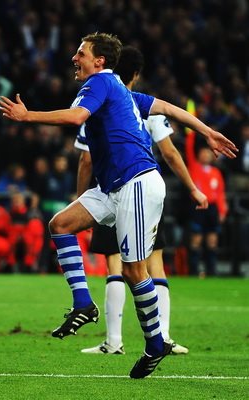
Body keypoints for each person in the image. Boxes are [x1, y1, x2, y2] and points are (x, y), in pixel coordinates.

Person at [0, 32, 237, 378]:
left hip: (136, 183)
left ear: (100, 61)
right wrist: (207, 131)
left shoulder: (99, 83)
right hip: (112, 188)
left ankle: (156, 342)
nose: (74, 58)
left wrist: (27, 116)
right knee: (60, 224)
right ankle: (83, 304)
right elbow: (169, 108)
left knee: (133, 271)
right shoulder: (122, 91)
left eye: (81, 53)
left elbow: (76, 117)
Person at [76, 46, 208, 356]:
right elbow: (170, 152)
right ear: (136, 74)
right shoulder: (142, 105)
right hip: (145, 187)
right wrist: (192, 188)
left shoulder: (95, 102)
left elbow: (85, 159)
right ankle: (163, 335)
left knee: (115, 263)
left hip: (110, 188)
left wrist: (81, 197)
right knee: (154, 263)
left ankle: (114, 340)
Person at [184, 121, 228, 277]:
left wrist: (222, 211)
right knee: (196, 239)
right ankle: (194, 271)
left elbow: (220, 193)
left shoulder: (216, 172)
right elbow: (189, 148)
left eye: (208, 153)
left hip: (213, 209)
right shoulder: (194, 167)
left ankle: (211, 272)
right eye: (203, 153)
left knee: (212, 241)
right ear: (199, 155)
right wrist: (193, 130)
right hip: (198, 207)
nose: (206, 155)